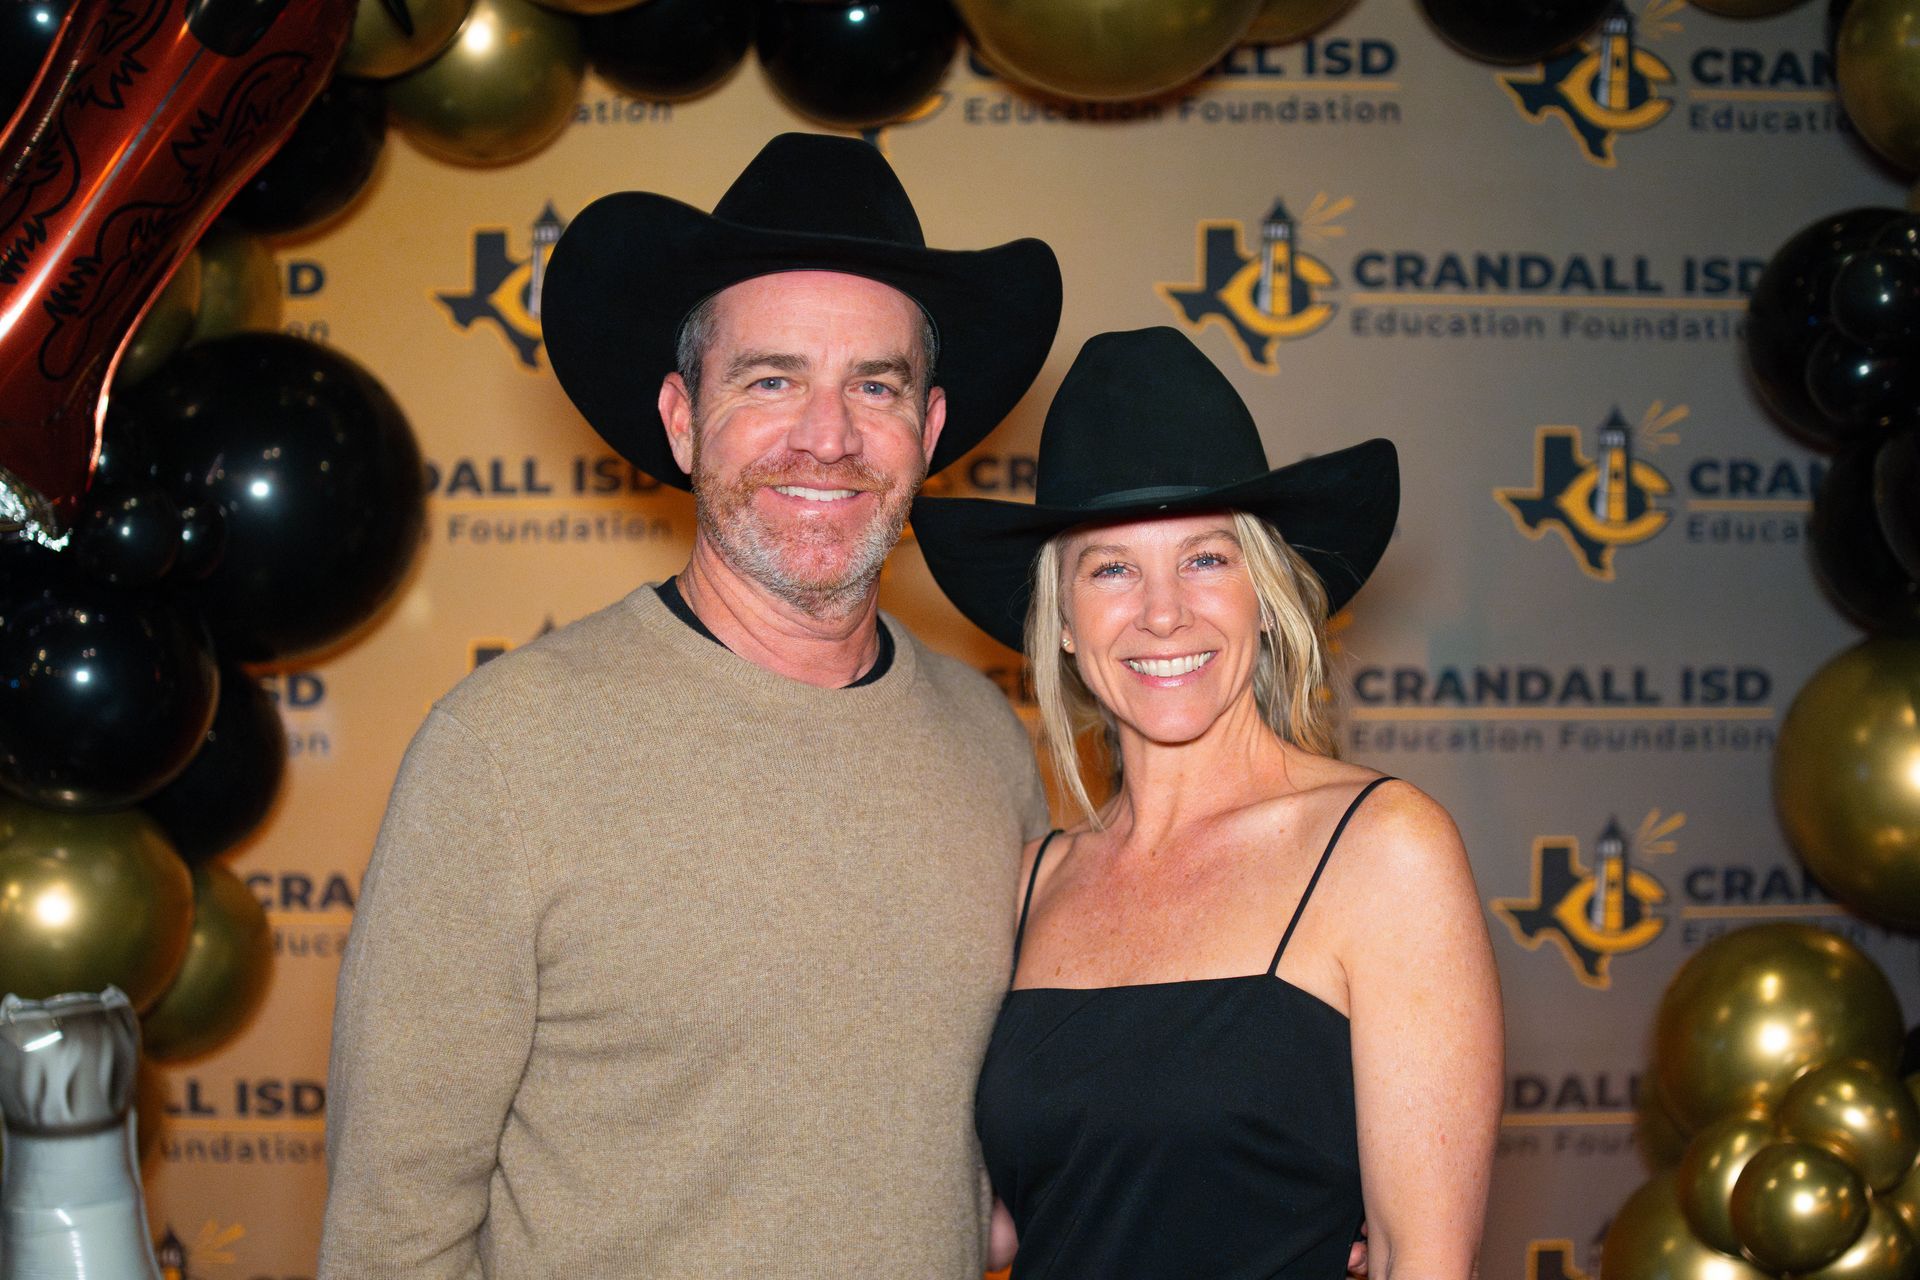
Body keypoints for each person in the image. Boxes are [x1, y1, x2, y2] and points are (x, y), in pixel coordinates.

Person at [317, 133, 1064, 1278]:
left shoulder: (986, 744)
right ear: (681, 417)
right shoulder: (506, 752)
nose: (828, 434)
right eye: (771, 380)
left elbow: (976, 1173)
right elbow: (391, 1236)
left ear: (931, 430)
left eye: (877, 385)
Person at [912, 327, 1505, 1279]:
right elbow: (997, 1218)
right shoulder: (1031, 881)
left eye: (1206, 560)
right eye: (1111, 568)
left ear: (1266, 595)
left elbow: (1420, 1258)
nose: (1161, 613)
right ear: (1061, 622)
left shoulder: (1383, 851)